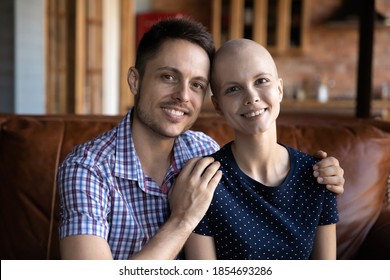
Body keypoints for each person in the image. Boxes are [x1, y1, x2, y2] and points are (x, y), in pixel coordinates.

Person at [57, 18, 344, 260]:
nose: (183, 95)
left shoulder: (204, 152)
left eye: (196, 84)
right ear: (135, 80)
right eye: (168, 77)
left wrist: (325, 173)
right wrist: (183, 219)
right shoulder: (87, 169)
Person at [185, 39, 339, 260]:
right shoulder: (205, 182)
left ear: (279, 89)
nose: (251, 97)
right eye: (233, 89)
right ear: (218, 105)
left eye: (261, 81)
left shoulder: (318, 176)